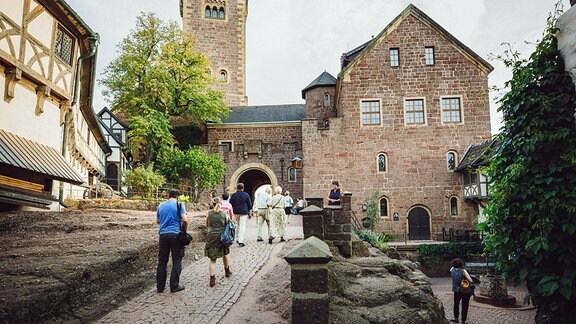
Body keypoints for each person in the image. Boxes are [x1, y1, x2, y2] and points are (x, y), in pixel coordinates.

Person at [156, 189, 187, 293]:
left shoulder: (161, 205)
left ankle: (160, 287)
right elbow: (185, 219)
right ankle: (174, 286)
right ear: (177, 196)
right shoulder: (179, 205)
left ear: (168, 196)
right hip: (175, 234)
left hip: (163, 235)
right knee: (177, 260)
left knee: (162, 261)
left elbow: (158, 221)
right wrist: (184, 229)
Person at [205, 197, 232, 287]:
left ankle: (212, 279)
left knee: (213, 259)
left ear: (212, 204)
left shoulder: (208, 213)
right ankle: (227, 271)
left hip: (211, 236)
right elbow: (227, 225)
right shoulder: (224, 214)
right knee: (224, 254)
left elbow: (207, 225)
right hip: (221, 237)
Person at [450, 258, 474, 324]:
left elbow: (452, 267)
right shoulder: (463, 271)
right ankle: (463, 321)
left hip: (456, 290)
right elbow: (470, 280)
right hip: (464, 290)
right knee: (465, 305)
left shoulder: (452, 270)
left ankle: (456, 318)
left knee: (456, 304)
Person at [229, 183, 252, 247]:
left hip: (236, 212)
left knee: (236, 225)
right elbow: (249, 205)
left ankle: (236, 238)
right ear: (243, 188)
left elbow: (231, 204)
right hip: (243, 212)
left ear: (237, 188)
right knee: (242, 226)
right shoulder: (246, 195)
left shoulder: (233, 195)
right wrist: (250, 213)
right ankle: (240, 241)